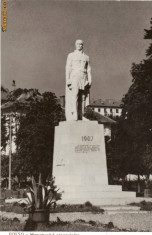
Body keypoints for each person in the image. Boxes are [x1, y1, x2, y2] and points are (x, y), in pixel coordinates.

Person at [65, 39, 92, 121]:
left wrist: (90, 79)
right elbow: (68, 68)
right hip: (74, 76)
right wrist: (68, 79)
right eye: (78, 44)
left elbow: (88, 69)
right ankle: (74, 113)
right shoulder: (71, 55)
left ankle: (81, 115)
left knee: (82, 97)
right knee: (75, 94)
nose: (79, 45)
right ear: (75, 45)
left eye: (81, 44)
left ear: (83, 45)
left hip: (83, 77)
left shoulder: (86, 57)